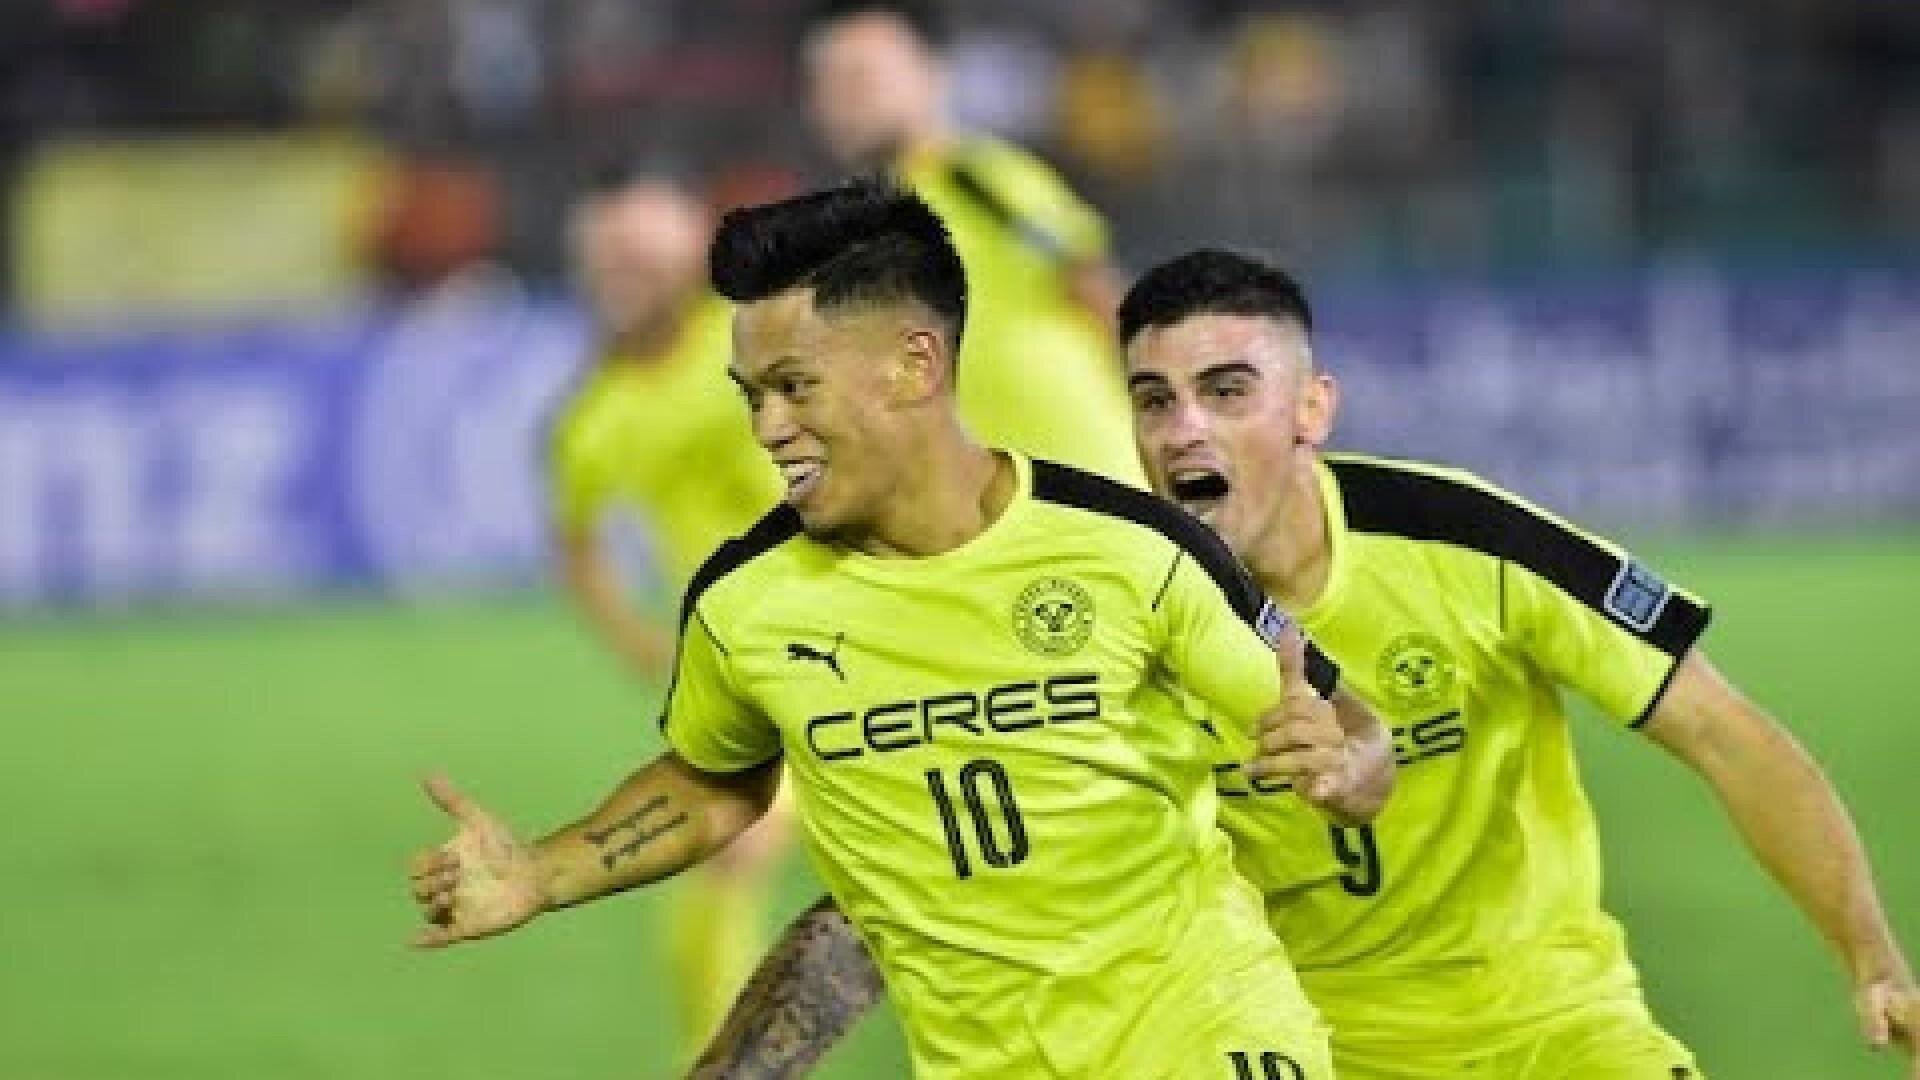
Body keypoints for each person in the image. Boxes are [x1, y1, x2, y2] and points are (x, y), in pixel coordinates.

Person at [690, 249, 1920, 1080]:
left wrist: (1871, 954)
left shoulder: (1463, 541)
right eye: (1154, 400)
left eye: (1226, 391)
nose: (1184, 429)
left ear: (1311, 408)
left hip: (1555, 1034)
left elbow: (1723, 731)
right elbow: (914, 892)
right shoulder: (1101, 603)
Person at [409, 183, 1394, 1079]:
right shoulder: (745, 604)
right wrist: (542, 872)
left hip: (1209, 1038)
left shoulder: (1136, 546)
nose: (768, 427)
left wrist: (1347, 768)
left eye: (796, 387)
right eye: (753, 397)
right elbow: (717, 783)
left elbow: (1350, 729)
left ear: (913, 365)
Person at [544, 173, 787, 1053]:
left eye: (642, 256)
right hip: (747, 667)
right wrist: (644, 648)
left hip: (862, 623)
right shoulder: (594, 415)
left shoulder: (752, 337)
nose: (627, 275)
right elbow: (576, 548)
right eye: (612, 259)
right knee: (729, 856)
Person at [801, 0, 1144, 486]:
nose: (846, 100)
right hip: (991, 500)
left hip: (1087, 467)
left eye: (863, 78)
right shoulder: (843, 233)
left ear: (930, 74)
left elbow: (1095, 290)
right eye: (827, 84)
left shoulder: (981, 179)